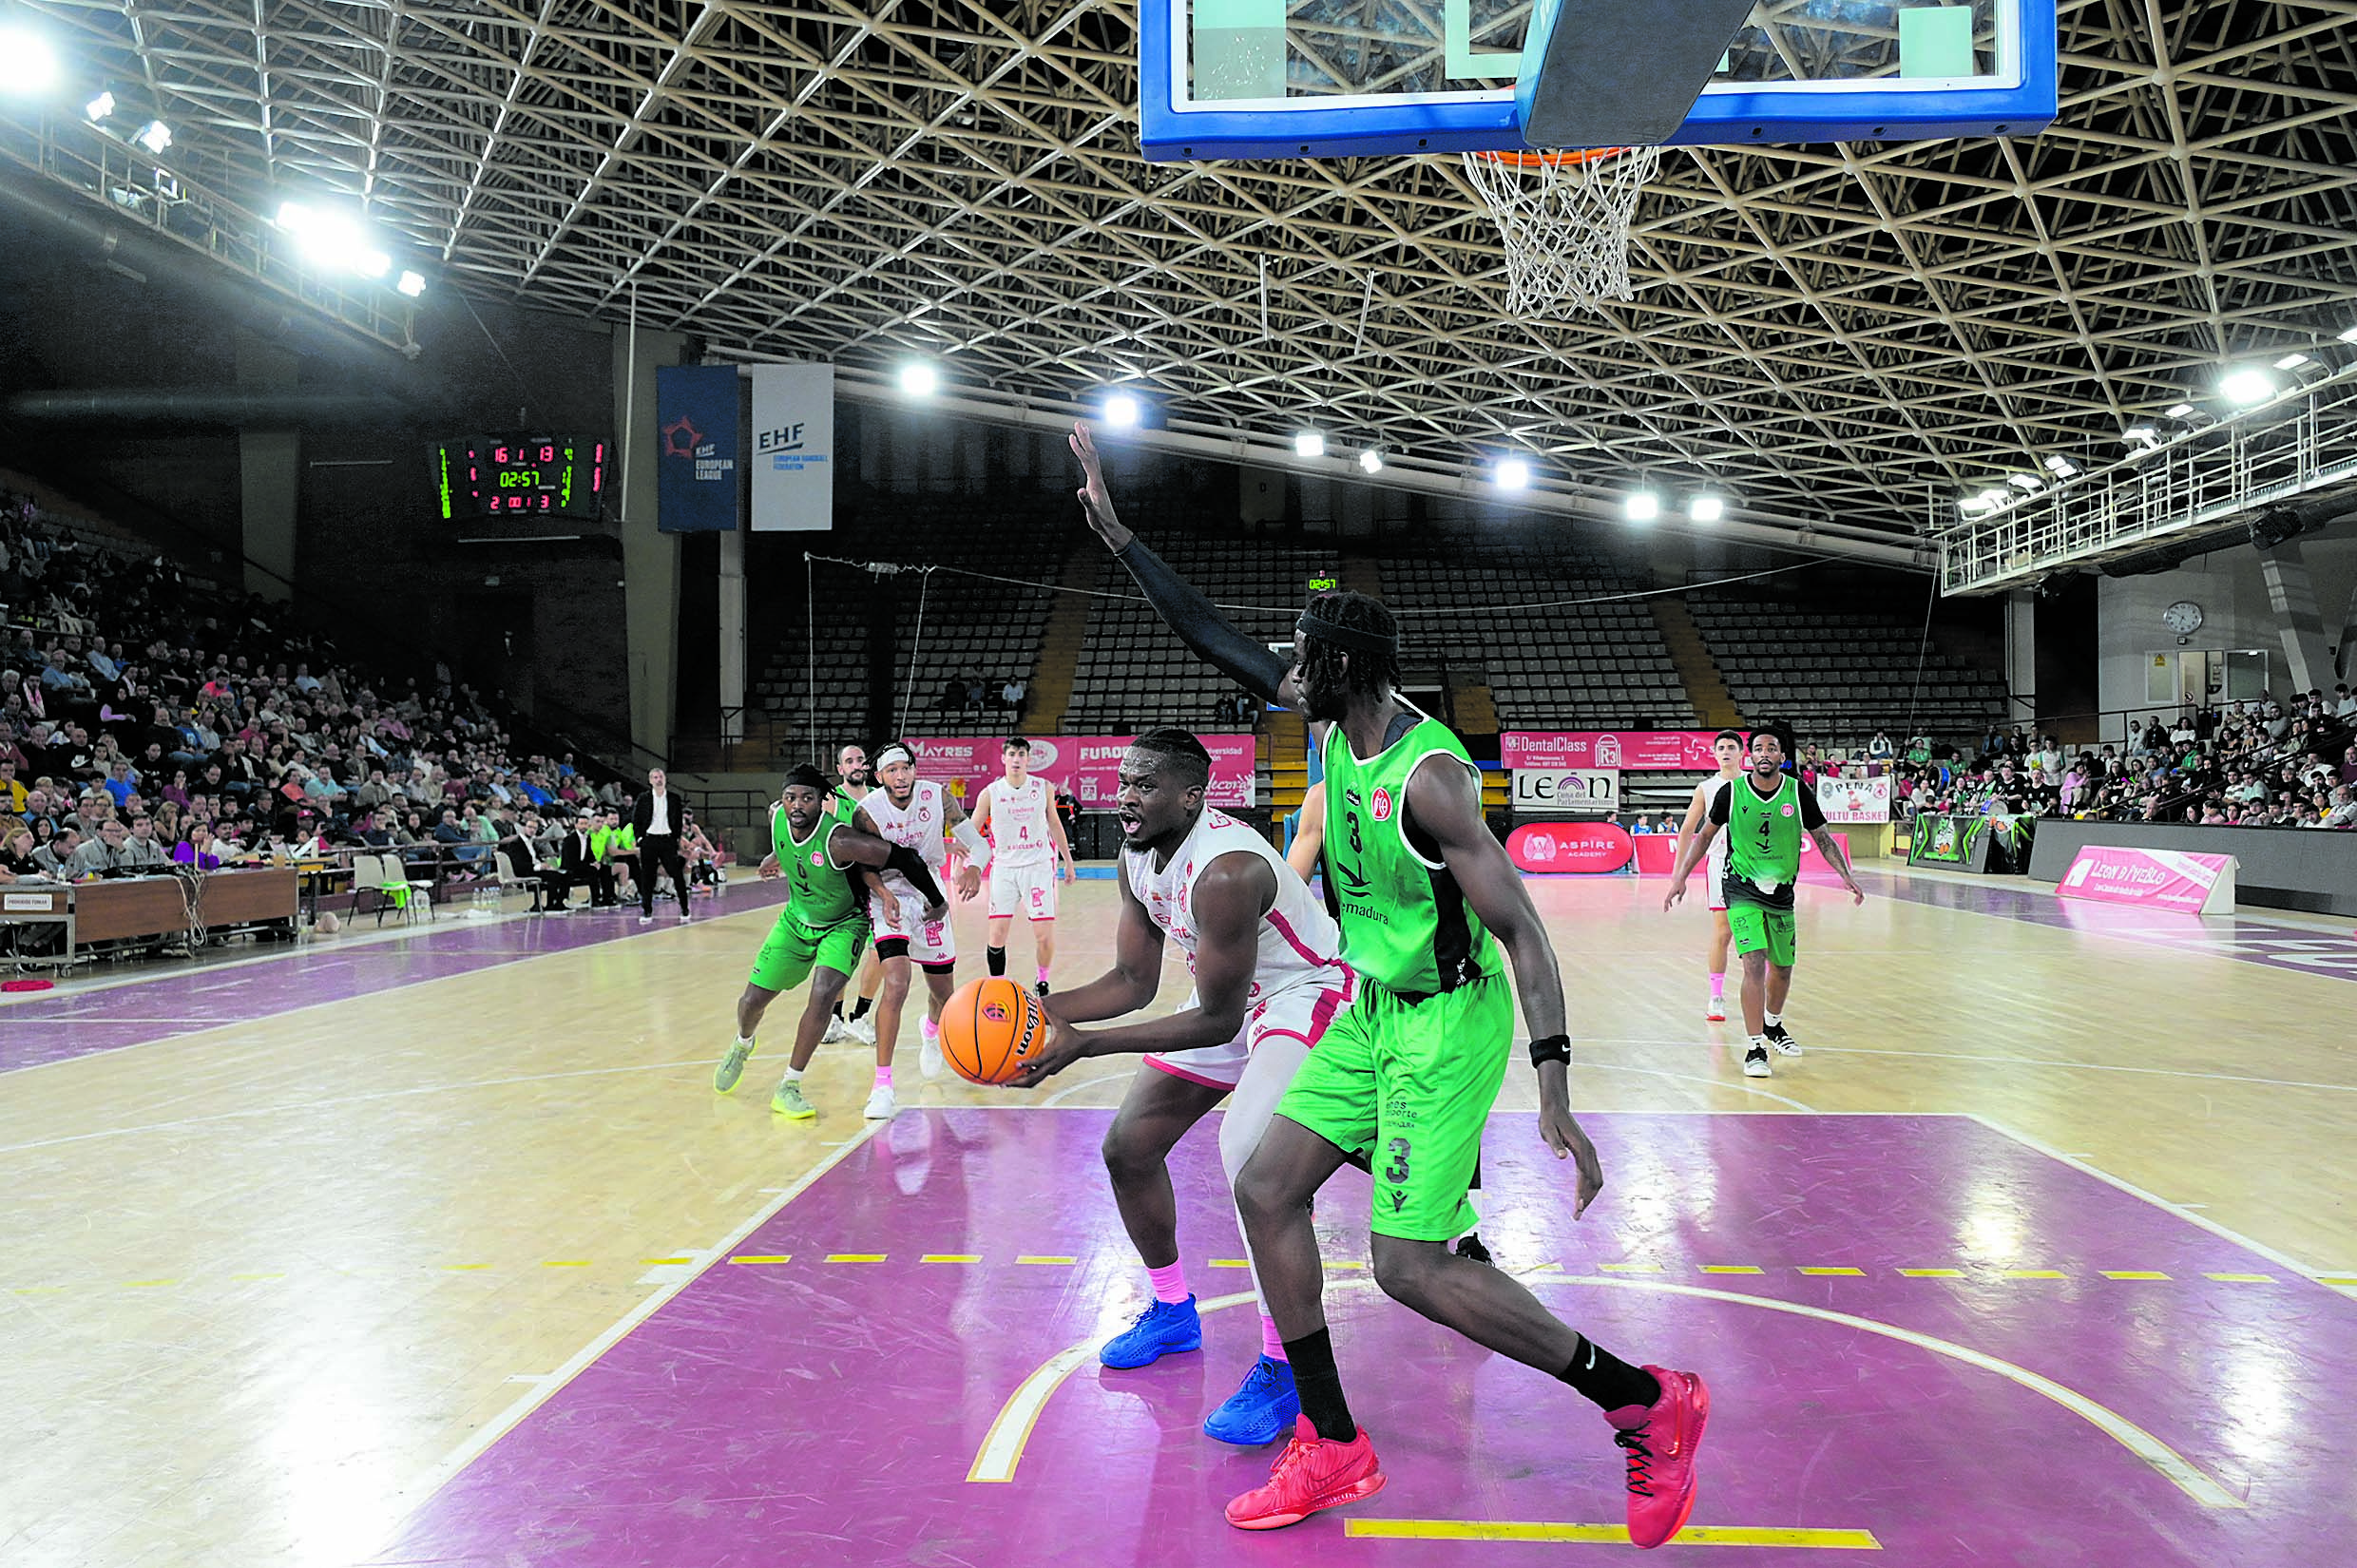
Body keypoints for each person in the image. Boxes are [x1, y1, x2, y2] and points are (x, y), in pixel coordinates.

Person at [1069, 421, 1707, 1547]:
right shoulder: (1333, 726)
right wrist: (1120, 538)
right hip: (1368, 1010)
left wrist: (1554, 1089)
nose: (1286, 672)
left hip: (1446, 1023)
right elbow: (1209, 634)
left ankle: (1642, 1401)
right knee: (1265, 1187)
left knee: (1405, 1268)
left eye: (1303, 659)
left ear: (1343, 671)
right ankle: (1331, 1442)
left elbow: (1525, 937)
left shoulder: (1430, 781)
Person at [1007, 729, 1355, 1447]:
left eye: (1145, 786)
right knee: (1128, 1148)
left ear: (1192, 796)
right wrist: (1031, 1012)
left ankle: (1284, 1366)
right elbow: (1132, 982)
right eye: (1124, 782)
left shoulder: (1225, 871)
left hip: (1305, 995)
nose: (1125, 798)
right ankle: (1171, 1310)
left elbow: (1216, 1019)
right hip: (1231, 999)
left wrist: (1084, 1045)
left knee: (1252, 1165)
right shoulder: (1137, 855)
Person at [711, 765, 947, 1119]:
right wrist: (774, 856)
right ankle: (743, 1043)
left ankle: (789, 1085)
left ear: (822, 801)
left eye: (807, 798)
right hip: (795, 921)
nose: (797, 805)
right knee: (751, 1001)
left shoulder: (840, 840)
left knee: (823, 994)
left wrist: (936, 900)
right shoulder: (779, 820)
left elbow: (905, 858)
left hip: (844, 924)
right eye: (790, 798)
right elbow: (789, 846)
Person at [1663, 723, 1866, 1080]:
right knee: (1754, 962)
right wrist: (1680, 877)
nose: (1765, 754)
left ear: (1782, 757)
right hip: (1740, 888)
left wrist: (1845, 875)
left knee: (1782, 968)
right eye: (1759, 748)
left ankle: (1773, 1024)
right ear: (1751, 756)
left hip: (1782, 893)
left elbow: (1823, 838)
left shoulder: (1797, 792)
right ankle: (1755, 1046)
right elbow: (1703, 836)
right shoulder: (1730, 793)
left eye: (1771, 748)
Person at [857, 741, 985, 1112]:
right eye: (892, 770)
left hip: (930, 893)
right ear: (879, 776)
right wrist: (883, 894)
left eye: (906, 768)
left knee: (944, 995)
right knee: (896, 984)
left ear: (914, 769)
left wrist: (975, 867)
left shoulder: (937, 797)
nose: (901, 776)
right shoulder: (868, 812)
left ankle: (931, 1030)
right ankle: (883, 1086)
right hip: (889, 897)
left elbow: (979, 845)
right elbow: (864, 867)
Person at [972, 736, 1077, 999]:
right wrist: (964, 863)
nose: (1016, 759)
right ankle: (997, 984)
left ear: (1029, 759)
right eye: (1012, 754)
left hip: (1038, 866)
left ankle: (1042, 981)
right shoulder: (990, 793)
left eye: (1021, 754)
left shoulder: (1043, 788)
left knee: (1043, 935)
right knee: (997, 934)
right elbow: (971, 831)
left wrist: (1068, 860)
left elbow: (1055, 823)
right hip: (1004, 869)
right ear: (1003, 759)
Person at [1669, 730, 1748, 1023]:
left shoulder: (1755, 783)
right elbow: (1687, 830)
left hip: (1754, 863)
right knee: (1723, 932)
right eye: (1721, 748)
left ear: (1742, 753)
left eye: (1731, 747)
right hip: (1720, 863)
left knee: (1759, 932)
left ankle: (1763, 993)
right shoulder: (1706, 788)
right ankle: (1716, 996)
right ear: (1714, 754)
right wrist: (1679, 874)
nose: (1726, 751)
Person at [820, 742, 888, 1048]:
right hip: (843, 888)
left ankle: (859, 1016)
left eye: (861, 759)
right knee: (841, 956)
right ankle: (834, 1018)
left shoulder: (880, 797)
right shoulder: (831, 799)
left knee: (880, 952)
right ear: (840, 769)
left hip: (876, 885)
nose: (857, 764)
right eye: (850, 761)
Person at [628, 766, 693, 925]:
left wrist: (675, 839)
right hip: (649, 841)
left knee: (676, 874)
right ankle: (647, 911)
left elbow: (678, 821)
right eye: (655, 777)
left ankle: (685, 908)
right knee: (647, 877)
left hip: (667, 841)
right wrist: (640, 838)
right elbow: (636, 820)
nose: (659, 780)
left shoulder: (674, 798)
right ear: (650, 780)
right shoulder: (643, 798)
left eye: (661, 777)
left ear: (665, 779)